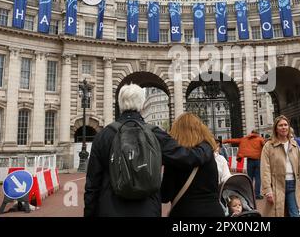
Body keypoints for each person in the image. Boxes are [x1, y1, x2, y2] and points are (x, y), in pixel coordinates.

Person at [84, 84, 213, 217]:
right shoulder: (155, 134)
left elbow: (92, 185)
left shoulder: (103, 136)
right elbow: (187, 157)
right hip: (147, 210)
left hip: (110, 209)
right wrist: (206, 147)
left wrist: (89, 213)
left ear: (119, 104)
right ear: (142, 103)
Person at [161, 113, 225, 217]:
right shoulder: (208, 154)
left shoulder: (174, 160)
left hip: (184, 212)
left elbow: (165, 195)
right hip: (214, 211)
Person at [260, 115, 300, 217]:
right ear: (276, 128)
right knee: (277, 214)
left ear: (289, 127)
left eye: (285, 125)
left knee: (295, 213)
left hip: (293, 183)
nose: (284, 127)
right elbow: (265, 169)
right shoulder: (268, 146)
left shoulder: (294, 145)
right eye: (280, 125)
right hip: (276, 185)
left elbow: (299, 168)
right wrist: (267, 190)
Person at [223, 130, 265, 199]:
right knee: (258, 178)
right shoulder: (260, 139)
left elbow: (234, 140)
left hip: (249, 161)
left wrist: (224, 141)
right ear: (257, 134)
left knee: (250, 178)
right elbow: (266, 145)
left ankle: (249, 193)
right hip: (258, 160)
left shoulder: (245, 139)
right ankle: (257, 194)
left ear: (251, 133)